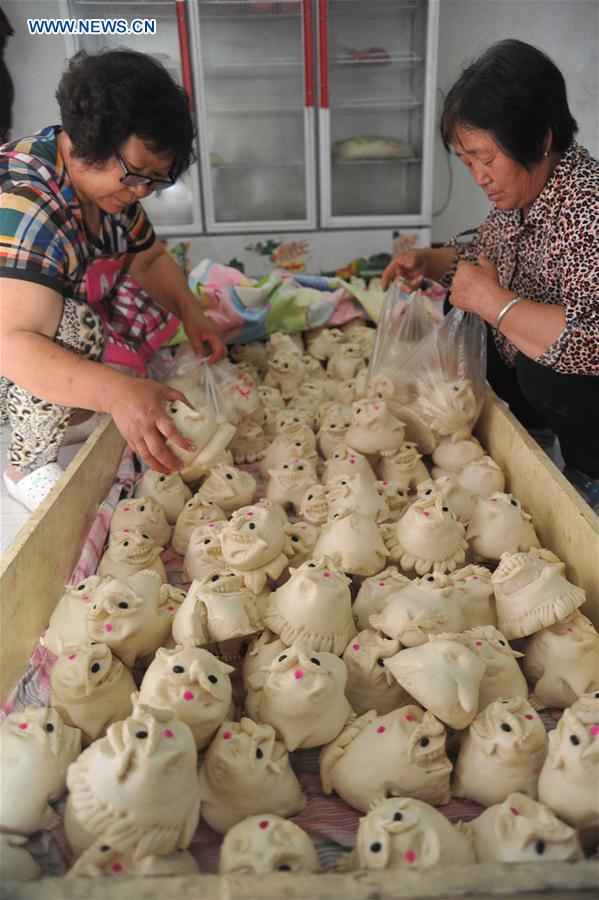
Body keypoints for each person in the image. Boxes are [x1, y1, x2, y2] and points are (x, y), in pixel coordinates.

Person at [0, 49, 225, 511]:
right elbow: (13, 342)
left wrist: (192, 313)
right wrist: (117, 393)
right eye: (137, 175)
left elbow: (148, 259)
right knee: (72, 326)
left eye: (154, 182)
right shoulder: (25, 199)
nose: (142, 192)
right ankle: (27, 464)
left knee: (115, 342)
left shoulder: (110, 191)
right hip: (9, 346)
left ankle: (66, 407)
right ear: (93, 138)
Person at [382, 39, 599, 510]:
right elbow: (487, 255)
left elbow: (590, 337)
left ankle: (589, 475)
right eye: (466, 162)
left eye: (486, 158)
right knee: (460, 302)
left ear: (540, 139)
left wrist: (492, 302)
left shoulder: (588, 208)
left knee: (545, 367)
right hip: (538, 388)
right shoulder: (520, 196)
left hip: (585, 393)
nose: (479, 177)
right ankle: (524, 437)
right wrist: (433, 261)